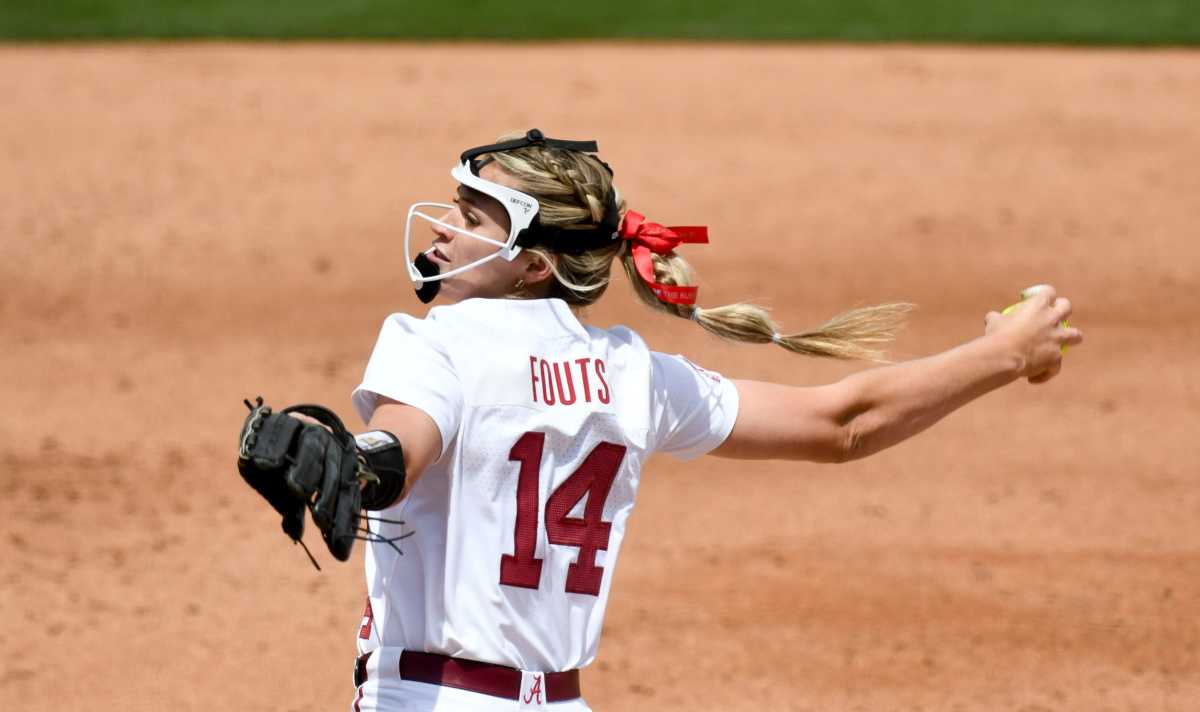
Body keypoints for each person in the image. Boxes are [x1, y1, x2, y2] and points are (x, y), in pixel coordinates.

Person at [338, 129, 1081, 711]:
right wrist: (1006, 353)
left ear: (534, 265)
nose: (441, 231)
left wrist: (355, 460)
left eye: (470, 218)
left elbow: (401, 450)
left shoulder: (432, 344)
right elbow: (842, 423)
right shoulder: (630, 372)